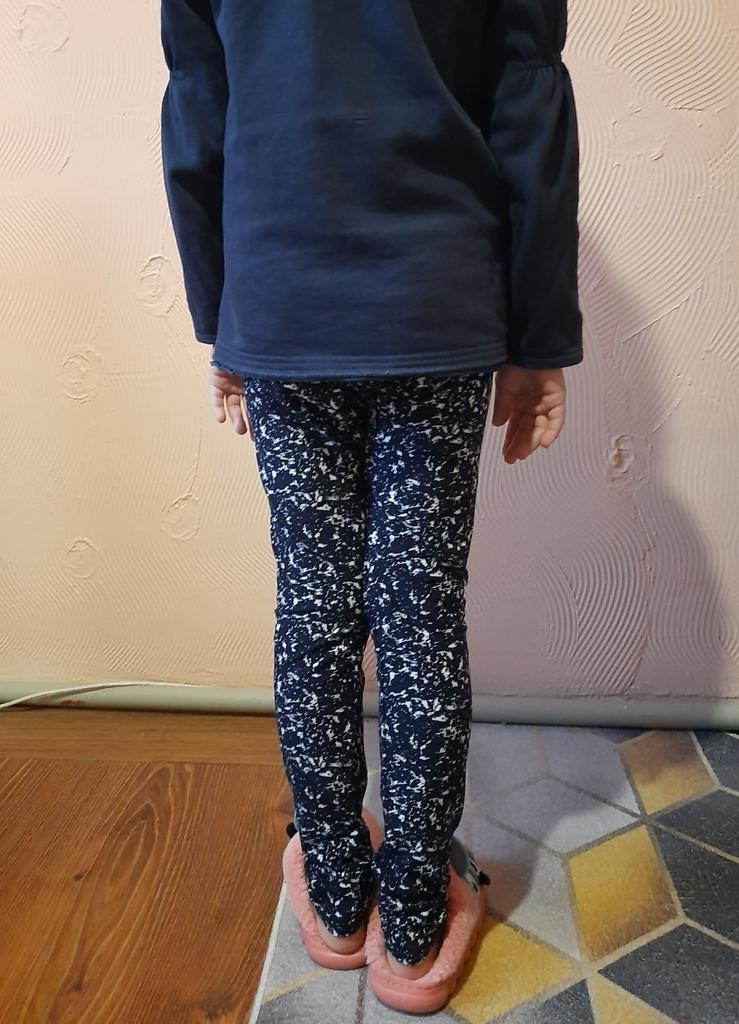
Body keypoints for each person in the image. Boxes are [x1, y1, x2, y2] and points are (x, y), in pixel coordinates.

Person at [159, 0, 583, 999]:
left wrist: (223, 312)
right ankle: (416, 924)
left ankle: (339, 899)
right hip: (436, 301)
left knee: (314, 605)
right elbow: (528, 104)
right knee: (419, 612)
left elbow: (198, 105)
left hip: (282, 300)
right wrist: (538, 339)